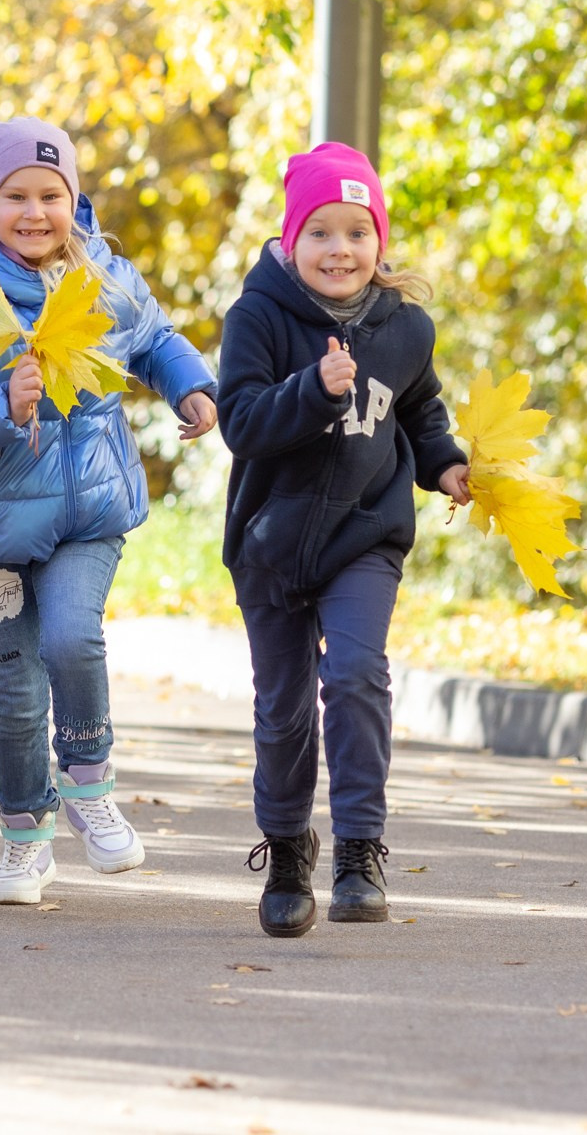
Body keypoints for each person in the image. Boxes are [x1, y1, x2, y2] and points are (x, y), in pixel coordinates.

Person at [0, 118, 218, 905]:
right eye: (16, 196)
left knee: (73, 638)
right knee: (13, 689)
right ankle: (24, 841)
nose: (35, 211)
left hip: (87, 509)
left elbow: (153, 340)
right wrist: (1, 404)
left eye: (52, 194)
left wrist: (190, 385)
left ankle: (88, 777)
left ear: (74, 200)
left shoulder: (104, 280)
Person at [215, 141, 470, 937]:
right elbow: (243, 423)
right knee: (284, 711)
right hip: (272, 542)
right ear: (292, 240)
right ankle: (289, 850)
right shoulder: (257, 318)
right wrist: (311, 391)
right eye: (321, 232)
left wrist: (446, 464)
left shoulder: (406, 330)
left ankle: (360, 851)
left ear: (378, 242)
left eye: (357, 233)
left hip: (366, 534)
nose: (340, 250)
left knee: (357, 674)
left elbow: (420, 410)